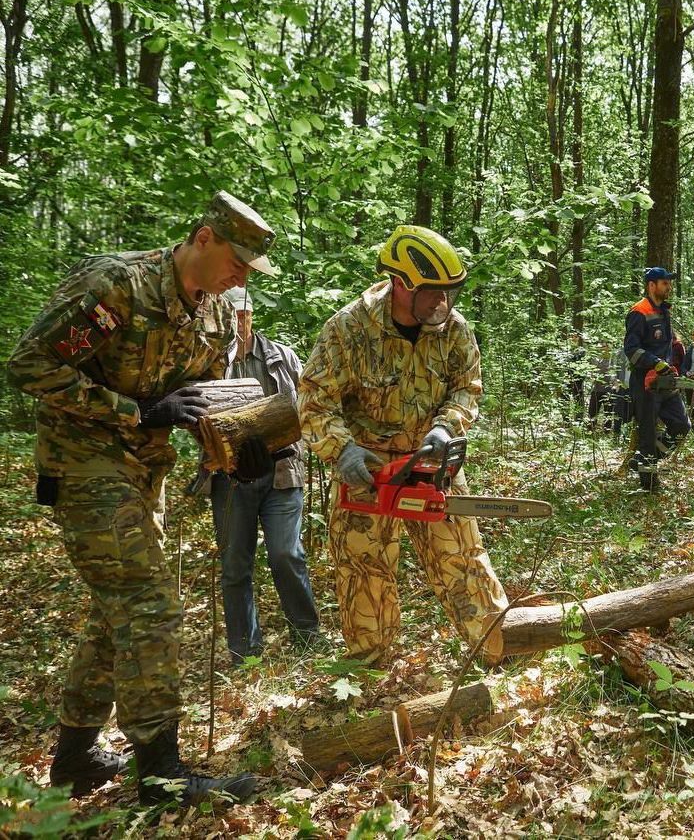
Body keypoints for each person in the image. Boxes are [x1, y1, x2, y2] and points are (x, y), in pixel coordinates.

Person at [6, 191, 275, 805]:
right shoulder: (118, 287)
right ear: (203, 238)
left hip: (143, 473)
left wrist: (247, 438)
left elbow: (211, 395)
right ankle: (161, 775)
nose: (241, 276)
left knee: (115, 614)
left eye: (249, 270)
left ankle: (74, 759)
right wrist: (136, 411)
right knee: (149, 606)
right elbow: (29, 365)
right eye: (237, 260)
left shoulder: (223, 307)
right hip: (85, 463)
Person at [298, 225, 508, 666]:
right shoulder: (349, 329)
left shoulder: (453, 329)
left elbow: (467, 387)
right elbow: (315, 401)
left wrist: (447, 427)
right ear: (401, 284)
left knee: (463, 559)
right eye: (434, 293)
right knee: (364, 574)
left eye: (449, 293)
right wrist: (343, 450)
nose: (442, 303)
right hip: (368, 472)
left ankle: (497, 652)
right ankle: (370, 672)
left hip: (432, 463)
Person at [191, 287, 321, 667]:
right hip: (230, 479)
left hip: (282, 473)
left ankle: (308, 640)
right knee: (235, 565)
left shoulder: (282, 357)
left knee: (286, 554)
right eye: (230, 315)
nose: (238, 322)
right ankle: (244, 654)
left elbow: (312, 406)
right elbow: (193, 419)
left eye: (243, 314)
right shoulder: (210, 361)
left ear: (251, 315)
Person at [623, 266, 691, 491]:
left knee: (681, 425)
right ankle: (649, 486)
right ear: (651, 286)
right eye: (664, 283)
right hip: (646, 382)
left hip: (666, 380)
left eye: (669, 283)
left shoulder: (665, 311)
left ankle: (643, 460)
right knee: (648, 434)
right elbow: (631, 349)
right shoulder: (639, 312)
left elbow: (668, 346)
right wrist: (655, 363)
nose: (669, 287)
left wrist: (668, 366)